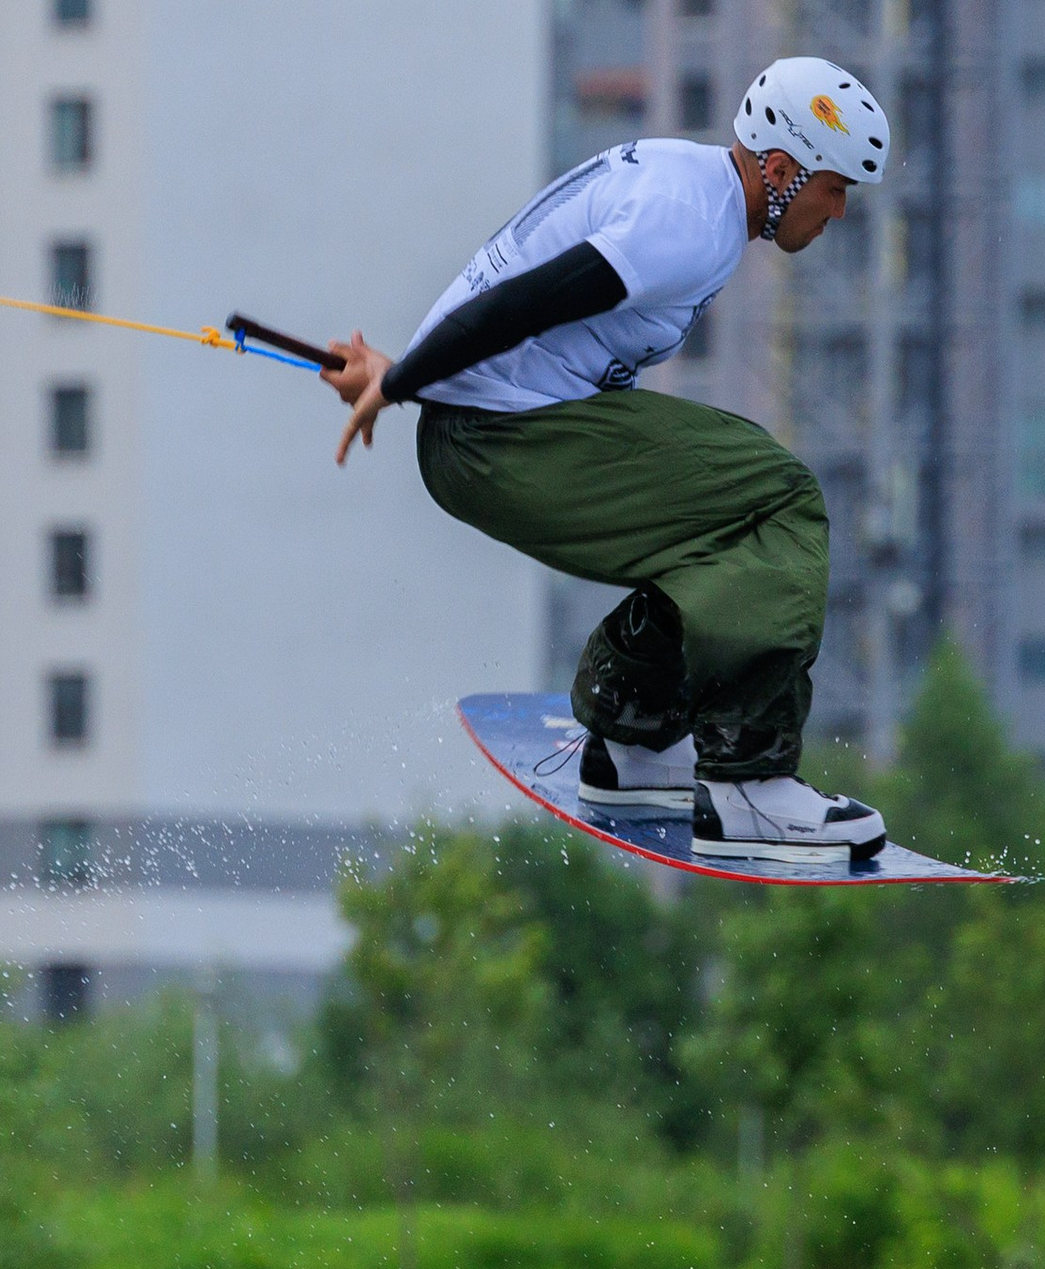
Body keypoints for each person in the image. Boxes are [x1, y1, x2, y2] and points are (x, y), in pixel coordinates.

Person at [319, 59, 894, 866]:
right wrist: (404, 379)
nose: (839, 210)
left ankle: (636, 743)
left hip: (497, 424)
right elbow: (532, 298)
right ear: (780, 168)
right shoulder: (687, 227)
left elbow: (516, 286)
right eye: (835, 187)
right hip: (497, 443)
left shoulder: (691, 182)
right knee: (779, 499)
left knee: (724, 505)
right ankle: (750, 785)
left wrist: (401, 369)